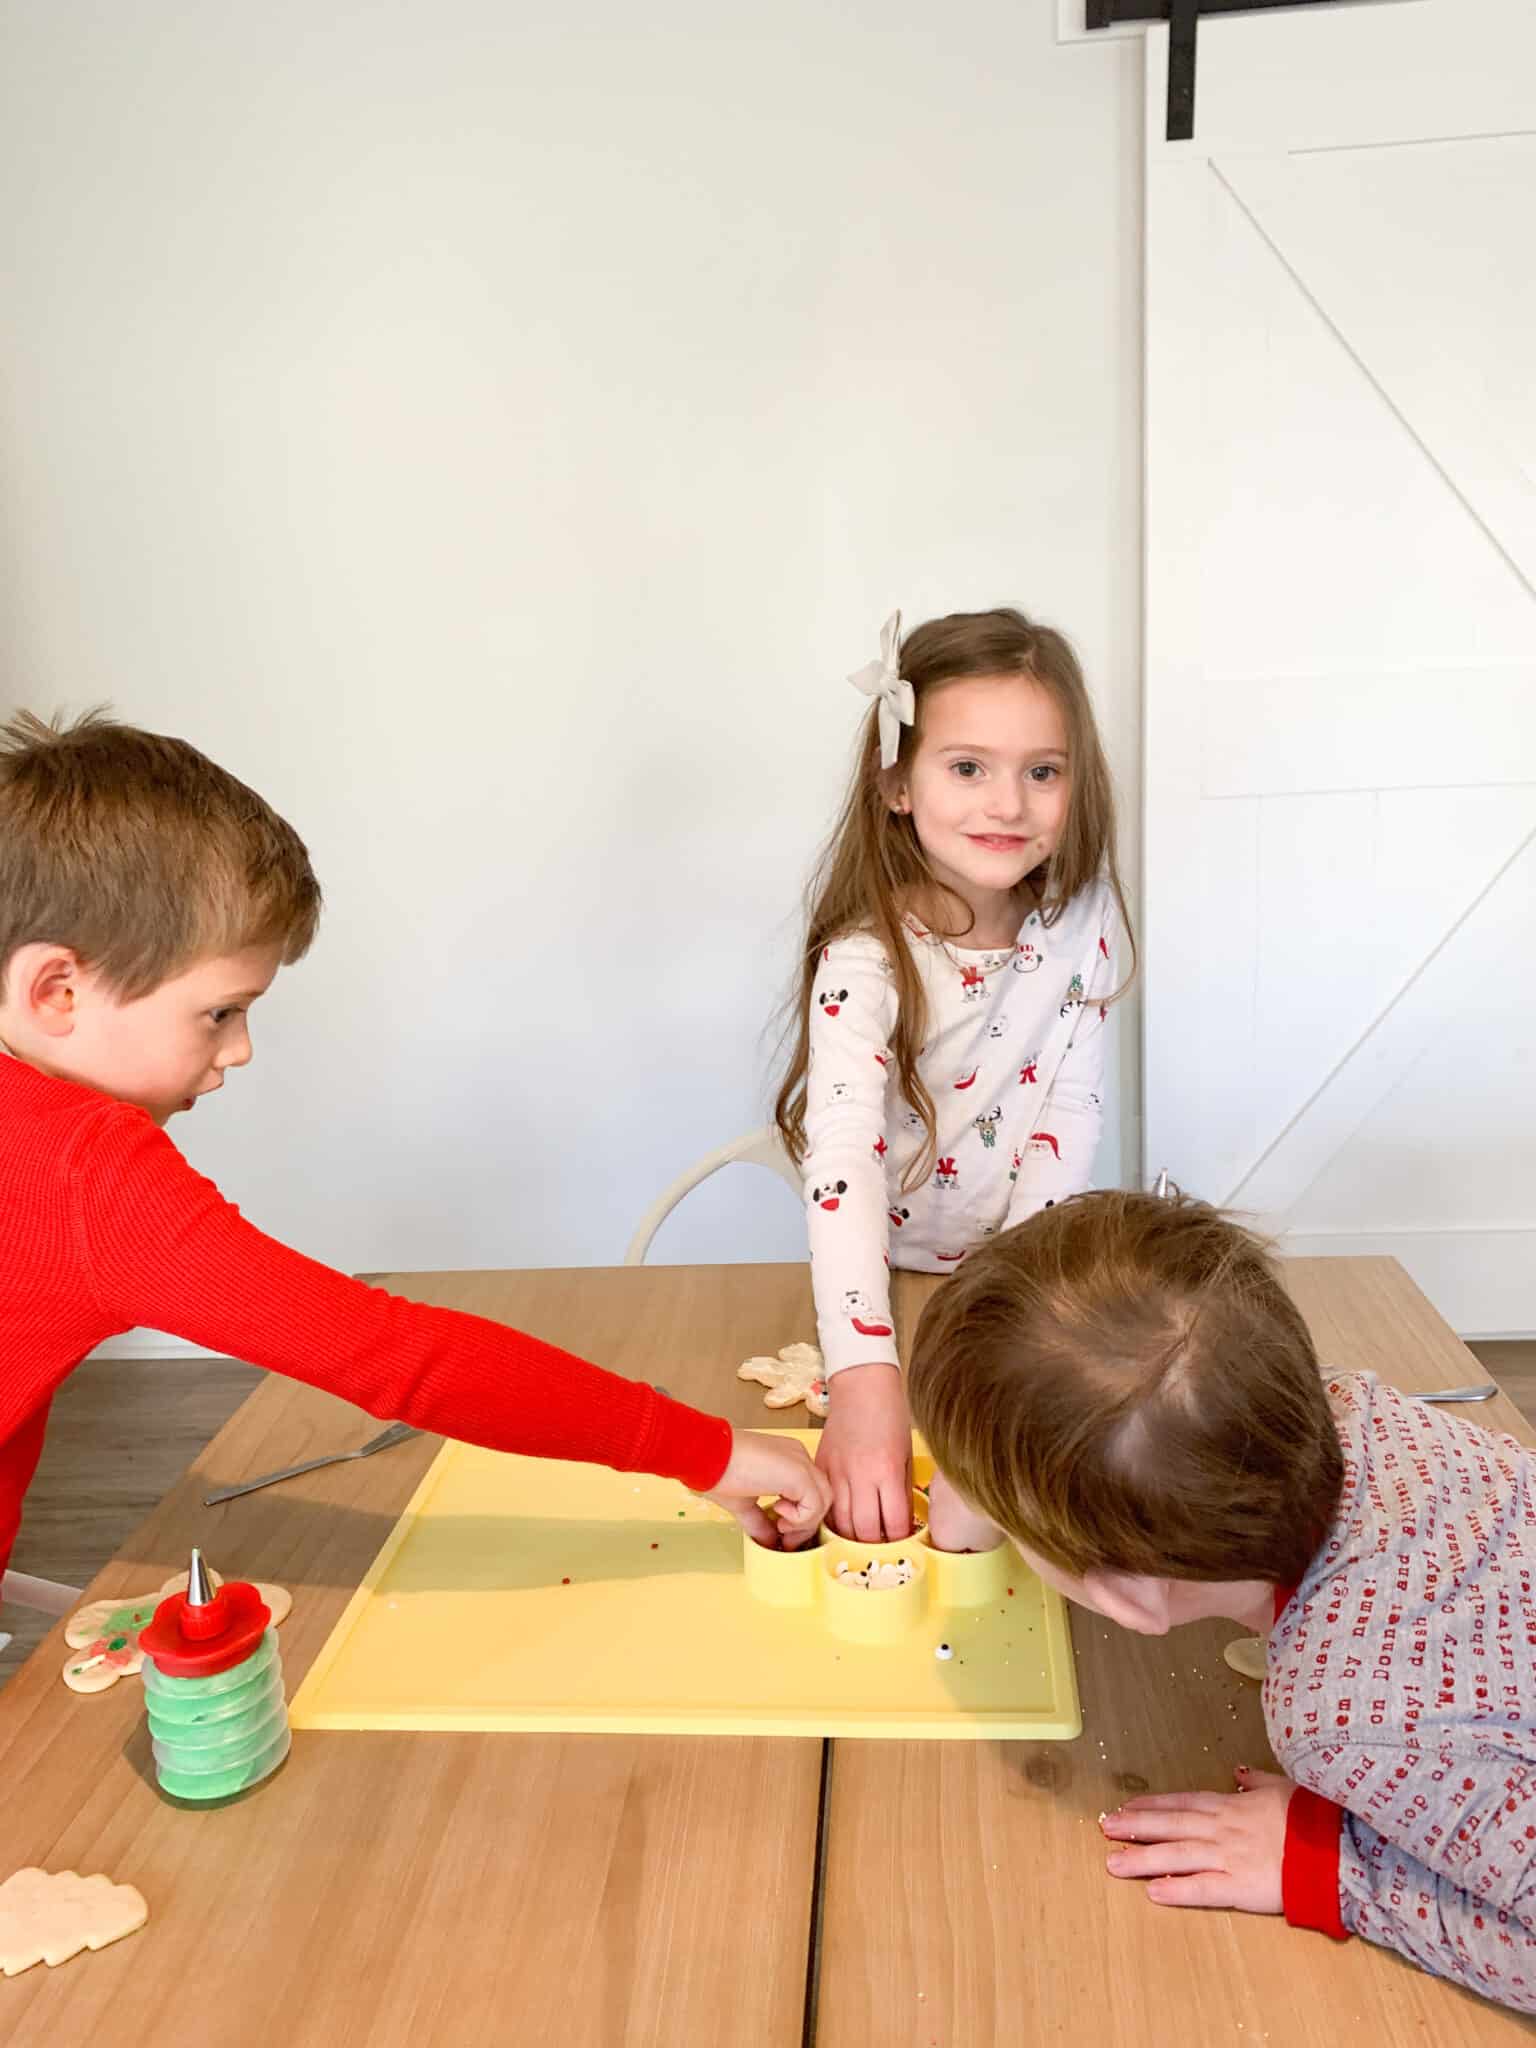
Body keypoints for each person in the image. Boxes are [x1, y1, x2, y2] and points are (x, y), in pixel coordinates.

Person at [0, 710, 830, 1590]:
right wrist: (705, 1450)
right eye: (220, 1012)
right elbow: (397, 1358)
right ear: (57, 990)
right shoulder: (90, 1173)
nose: (239, 1049)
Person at [907, 1189, 1536, 2015]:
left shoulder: (1339, 1720)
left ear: (1130, 1600)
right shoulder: (1354, 1407)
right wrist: (978, 1474)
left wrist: (1328, 1867)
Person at [773, 606, 1133, 1541]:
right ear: (898, 783)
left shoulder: (1082, 926)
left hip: (1017, 1287)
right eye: (968, 767)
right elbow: (843, 1153)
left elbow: (1068, 1121)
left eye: (1041, 772)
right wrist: (862, 1381)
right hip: (882, 1286)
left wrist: (1006, 1358)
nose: (1007, 804)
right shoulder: (865, 957)